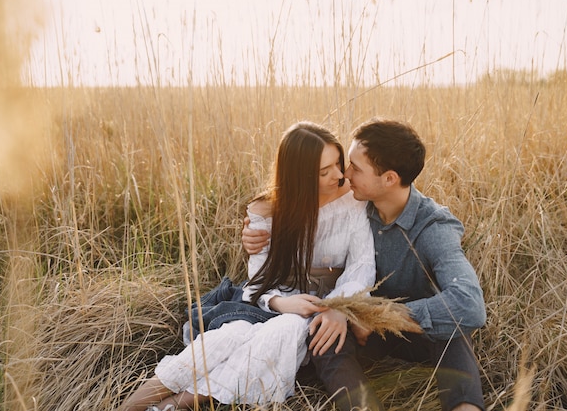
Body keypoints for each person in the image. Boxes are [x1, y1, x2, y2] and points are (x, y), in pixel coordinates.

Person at [119, 121, 377, 411]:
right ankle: (130, 406)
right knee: (226, 338)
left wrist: (337, 306)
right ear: (298, 176)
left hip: (320, 306)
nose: (339, 175)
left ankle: (176, 405)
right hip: (268, 301)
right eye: (324, 171)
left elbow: (361, 267)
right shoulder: (266, 211)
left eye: (338, 164)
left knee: (284, 330)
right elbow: (257, 280)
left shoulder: (353, 201)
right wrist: (282, 302)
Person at [242, 119, 487, 411]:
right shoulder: (356, 202)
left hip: (414, 329)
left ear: (389, 179)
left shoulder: (434, 228)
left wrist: (372, 314)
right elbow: (302, 195)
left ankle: (465, 407)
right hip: (362, 334)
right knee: (326, 336)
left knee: (454, 331)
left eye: (355, 169)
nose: (344, 175)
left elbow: (470, 306)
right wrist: (256, 231)